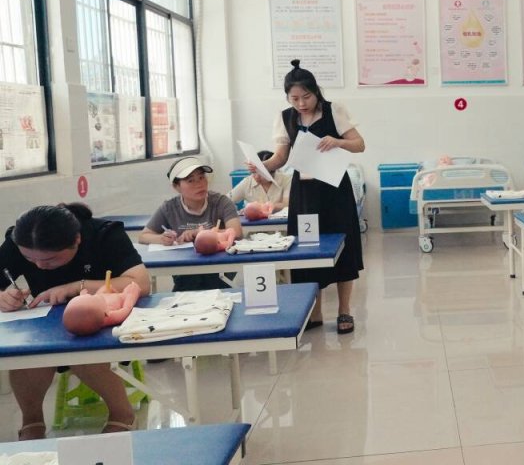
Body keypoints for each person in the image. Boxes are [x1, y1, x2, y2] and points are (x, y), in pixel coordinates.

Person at [0, 203, 152, 440]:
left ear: (77, 240)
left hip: (102, 316)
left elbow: (141, 283)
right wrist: (3, 297)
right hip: (45, 322)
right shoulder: (20, 239)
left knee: (79, 346)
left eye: (50, 259)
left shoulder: (104, 234)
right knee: (27, 351)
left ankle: (122, 414)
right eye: (29, 258)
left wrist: (77, 287)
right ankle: (32, 421)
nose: (39, 265)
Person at [258, 59, 365, 334]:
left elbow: (359, 144)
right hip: (305, 192)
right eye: (294, 98)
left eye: (306, 97)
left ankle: (344, 310)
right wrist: (261, 166)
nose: (301, 103)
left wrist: (338, 141)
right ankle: (315, 312)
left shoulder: (334, 110)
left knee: (343, 248)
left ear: (316, 92)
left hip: (334, 189)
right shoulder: (286, 118)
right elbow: (280, 158)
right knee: (307, 250)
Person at [137, 157, 243, 292]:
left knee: (207, 283)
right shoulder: (169, 208)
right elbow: (144, 236)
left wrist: (200, 233)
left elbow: (236, 232)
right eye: (190, 180)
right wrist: (162, 239)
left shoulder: (221, 202)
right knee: (189, 282)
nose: (199, 184)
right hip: (184, 271)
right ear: (176, 187)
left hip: (219, 267)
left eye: (201, 177)